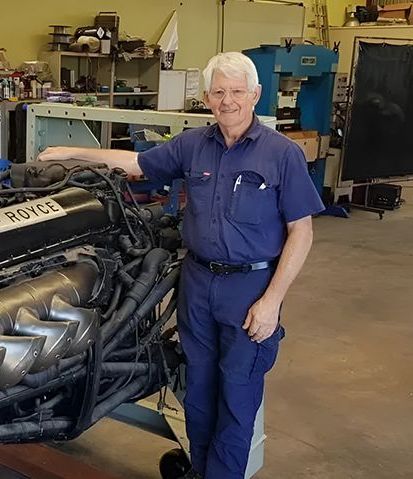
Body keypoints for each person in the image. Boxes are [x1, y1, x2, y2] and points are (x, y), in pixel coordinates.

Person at [38, 51, 325, 479]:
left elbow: (301, 231)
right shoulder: (194, 145)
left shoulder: (281, 155)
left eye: (237, 92)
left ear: (256, 95)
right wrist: (68, 151)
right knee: (197, 393)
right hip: (197, 281)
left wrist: (272, 301)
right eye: (219, 92)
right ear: (207, 98)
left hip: (250, 290)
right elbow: (137, 164)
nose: (228, 101)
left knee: (237, 396)